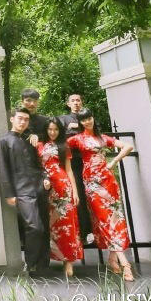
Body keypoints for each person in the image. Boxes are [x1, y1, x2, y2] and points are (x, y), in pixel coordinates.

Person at [67, 108, 135, 281]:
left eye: (89, 118)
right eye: (83, 120)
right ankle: (125, 263)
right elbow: (59, 147)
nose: (87, 122)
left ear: (92, 118)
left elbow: (128, 146)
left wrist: (114, 161)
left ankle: (113, 259)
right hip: (92, 183)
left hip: (108, 181)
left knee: (115, 218)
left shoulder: (104, 138)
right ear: (81, 123)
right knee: (104, 219)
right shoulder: (77, 139)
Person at [0, 107, 50, 275]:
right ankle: (31, 264)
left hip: (39, 186)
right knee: (34, 227)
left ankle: (43, 266)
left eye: (26, 119)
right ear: (12, 119)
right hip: (21, 190)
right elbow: (2, 168)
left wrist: (45, 177)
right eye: (19, 118)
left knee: (45, 227)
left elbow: (41, 162)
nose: (22, 122)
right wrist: (9, 193)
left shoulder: (30, 139)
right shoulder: (4, 141)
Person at [36, 118, 83, 277]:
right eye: (50, 129)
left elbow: (69, 170)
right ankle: (49, 258)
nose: (52, 132)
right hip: (47, 188)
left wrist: (75, 192)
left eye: (56, 130)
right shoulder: (39, 146)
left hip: (63, 188)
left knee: (67, 225)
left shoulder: (64, 146)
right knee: (51, 225)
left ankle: (68, 262)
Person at [58, 94, 93, 242]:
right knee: (77, 195)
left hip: (91, 161)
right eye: (73, 101)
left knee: (93, 196)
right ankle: (81, 232)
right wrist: (68, 128)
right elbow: (57, 137)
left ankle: (95, 231)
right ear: (68, 104)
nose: (76, 103)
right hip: (74, 163)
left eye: (78, 100)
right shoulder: (64, 119)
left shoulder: (88, 118)